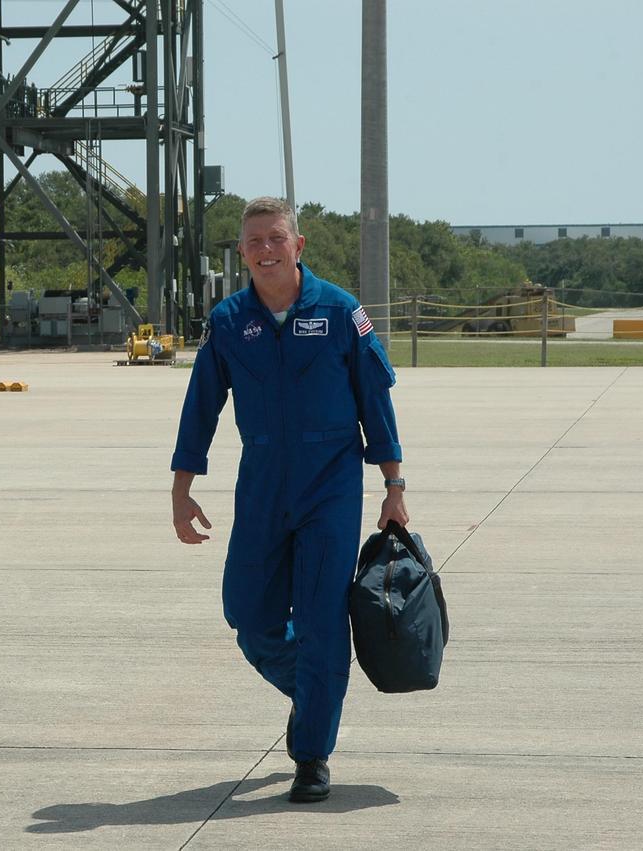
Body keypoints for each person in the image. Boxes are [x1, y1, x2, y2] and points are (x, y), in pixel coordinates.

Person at [170, 196, 408, 803]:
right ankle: (315, 694)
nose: (266, 250)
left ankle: (311, 754)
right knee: (248, 617)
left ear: (298, 246)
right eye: (254, 242)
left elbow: (375, 401)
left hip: (329, 485)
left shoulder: (342, 313)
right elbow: (201, 408)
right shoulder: (227, 321)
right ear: (242, 252)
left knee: (324, 624)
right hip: (261, 484)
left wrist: (393, 486)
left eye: (276, 238)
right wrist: (182, 485)